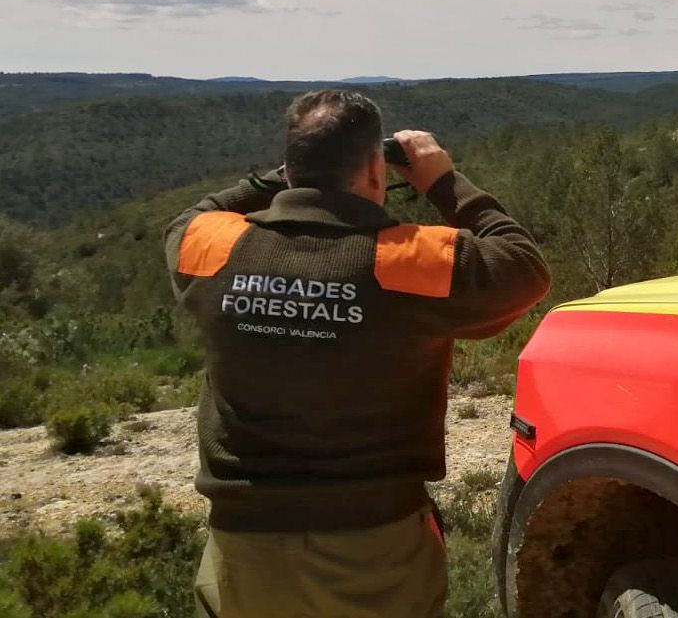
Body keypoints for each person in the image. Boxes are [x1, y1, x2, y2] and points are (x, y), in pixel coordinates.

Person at [164, 89, 551, 617]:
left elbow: (193, 215)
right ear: (375, 168)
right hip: (373, 546)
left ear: (291, 165)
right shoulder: (406, 260)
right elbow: (525, 266)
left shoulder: (214, 248)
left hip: (243, 547)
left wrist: (282, 178)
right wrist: (442, 180)